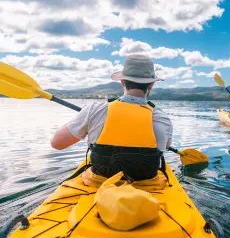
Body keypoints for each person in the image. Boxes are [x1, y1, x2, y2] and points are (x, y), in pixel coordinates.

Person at [50, 54, 173, 186]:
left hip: (98, 184)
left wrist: (84, 121)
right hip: (147, 188)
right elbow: (164, 146)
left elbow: (57, 143)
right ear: (151, 85)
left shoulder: (94, 109)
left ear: (122, 82)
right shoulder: (163, 119)